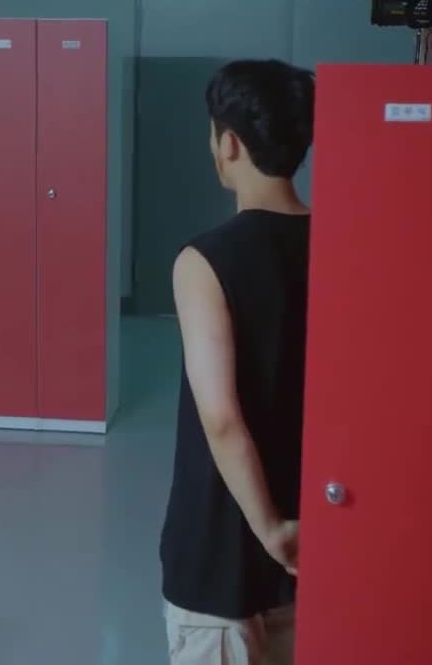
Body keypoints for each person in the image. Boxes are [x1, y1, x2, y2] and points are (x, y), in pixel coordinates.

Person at [159, 59, 315, 665]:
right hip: (314, 530)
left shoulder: (205, 261)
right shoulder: (343, 248)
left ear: (228, 144)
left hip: (223, 547)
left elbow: (221, 417)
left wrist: (269, 527)